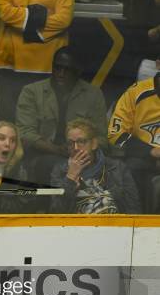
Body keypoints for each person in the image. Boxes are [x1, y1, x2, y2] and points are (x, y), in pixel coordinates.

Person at [16, 47, 108, 185]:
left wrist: (79, 151)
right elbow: (24, 134)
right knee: (53, 166)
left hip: (83, 157)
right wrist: (56, 150)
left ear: (78, 71)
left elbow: (101, 138)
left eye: (67, 69)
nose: (61, 73)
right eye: (57, 68)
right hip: (41, 156)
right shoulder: (32, 92)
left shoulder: (93, 95)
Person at [51, 118, 141, 214]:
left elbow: (133, 208)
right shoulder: (60, 170)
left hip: (114, 225)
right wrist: (70, 178)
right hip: (77, 227)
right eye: (70, 143)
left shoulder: (117, 167)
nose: (75, 148)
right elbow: (56, 212)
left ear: (94, 144)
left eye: (81, 141)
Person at [0, 0, 73, 93]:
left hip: (48, 64)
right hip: (9, 62)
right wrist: (41, 16)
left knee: (46, 107)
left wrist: (29, 29)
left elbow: (63, 19)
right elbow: (4, 12)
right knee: (10, 106)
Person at [108, 73, 160, 211]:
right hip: (143, 157)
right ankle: (135, 222)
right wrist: (150, 151)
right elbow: (115, 134)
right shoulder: (135, 92)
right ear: (158, 64)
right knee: (129, 169)